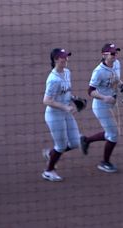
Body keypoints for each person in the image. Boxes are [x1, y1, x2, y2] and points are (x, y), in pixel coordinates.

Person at [80, 43, 123, 173]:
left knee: (112, 133)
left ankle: (86, 140)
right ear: (104, 55)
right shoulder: (98, 71)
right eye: (112, 53)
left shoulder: (117, 64)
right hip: (101, 106)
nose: (115, 55)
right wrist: (105, 98)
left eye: (116, 53)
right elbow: (90, 91)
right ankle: (104, 162)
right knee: (113, 135)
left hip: (112, 104)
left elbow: (116, 79)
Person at [41, 48, 82, 182]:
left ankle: (51, 154)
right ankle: (48, 171)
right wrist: (65, 107)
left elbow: (66, 92)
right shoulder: (53, 79)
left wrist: (74, 99)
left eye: (66, 57)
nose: (66, 59)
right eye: (63, 57)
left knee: (75, 142)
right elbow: (46, 100)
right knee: (61, 146)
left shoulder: (67, 72)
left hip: (65, 113)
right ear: (56, 59)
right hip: (54, 116)